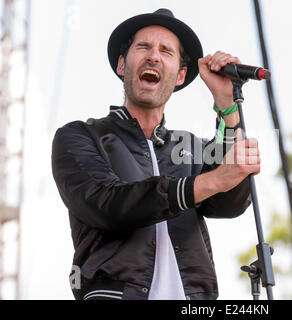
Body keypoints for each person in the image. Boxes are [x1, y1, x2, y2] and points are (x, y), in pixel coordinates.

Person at [51, 8, 261, 300]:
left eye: (166, 51)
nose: (154, 56)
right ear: (122, 65)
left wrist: (227, 108)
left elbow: (230, 204)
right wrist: (212, 181)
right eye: (143, 47)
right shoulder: (81, 136)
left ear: (180, 75)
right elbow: (107, 203)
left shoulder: (191, 147)